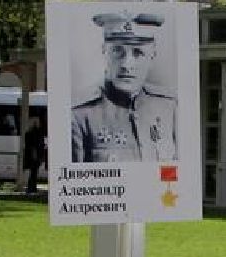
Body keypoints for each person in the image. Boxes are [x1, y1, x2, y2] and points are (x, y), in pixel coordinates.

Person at [70, 12, 177, 162]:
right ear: (104, 53)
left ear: (152, 56)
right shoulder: (81, 116)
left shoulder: (169, 107)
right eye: (117, 51)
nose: (127, 65)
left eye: (138, 53)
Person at [23, 115, 47, 193]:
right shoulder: (36, 133)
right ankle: (32, 188)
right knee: (34, 173)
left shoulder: (28, 133)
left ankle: (31, 188)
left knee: (33, 173)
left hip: (32, 156)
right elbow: (36, 145)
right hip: (35, 156)